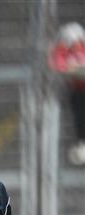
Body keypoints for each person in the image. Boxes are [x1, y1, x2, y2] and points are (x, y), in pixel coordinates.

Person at [49, 22, 85, 166]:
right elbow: (59, 64)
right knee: (79, 114)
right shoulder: (64, 50)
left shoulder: (81, 48)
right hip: (78, 90)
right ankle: (82, 142)